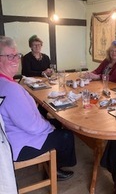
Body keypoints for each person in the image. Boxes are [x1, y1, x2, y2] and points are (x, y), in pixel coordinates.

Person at [0, 36, 76, 181]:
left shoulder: (4, 83)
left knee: (58, 123)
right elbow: (32, 126)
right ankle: (55, 169)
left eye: (17, 55)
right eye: (10, 56)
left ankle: (54, 161)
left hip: (10, 136)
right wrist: (48, 125)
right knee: (66, 135)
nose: (15, 60)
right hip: (19, 145)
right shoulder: (11, 89)